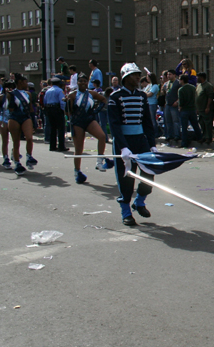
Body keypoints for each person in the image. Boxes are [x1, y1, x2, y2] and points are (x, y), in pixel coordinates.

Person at [108, 63, 157, 226]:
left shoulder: (142, 96)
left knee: (149, 173)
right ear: (126, 77)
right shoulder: (115, 98)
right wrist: (123, 147)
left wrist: (152, 144)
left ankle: (140, 201)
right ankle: (126, 211)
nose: (138, 77)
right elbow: (114, 126)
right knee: (126, 177)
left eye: (138, 74)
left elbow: (147, 122)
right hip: (124, 142)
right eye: (134, 75)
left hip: (140, 140)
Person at [66, 74, 113, 184]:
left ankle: (99, 161)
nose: (82, 83)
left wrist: (96, 110)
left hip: (89, 119)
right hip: (78, 122)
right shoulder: (72, 95)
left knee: (102, 136)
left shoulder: (92, 94)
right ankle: (77, 171)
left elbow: (103, 100)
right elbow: (68, 112)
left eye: (85, 81)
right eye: (80, 81)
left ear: (88, 83)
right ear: (77, 82)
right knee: (79, 149)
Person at [7, 74, 38, 176]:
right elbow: (10, 109)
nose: (27, 84)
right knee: (16, 142)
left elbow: (30, 108)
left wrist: (34, 121)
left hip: (25, 117)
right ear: (20, 82)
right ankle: (17, 163)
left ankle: (29, 156)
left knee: (29, 138)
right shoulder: (11, 94)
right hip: (15, 117)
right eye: (25, 82)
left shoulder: (27, 94)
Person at [43, 78, 69, 152]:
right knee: (61, 128)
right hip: (57, 109)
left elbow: (45, 101)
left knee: (52, 128)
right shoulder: (59, 91)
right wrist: (63, 110)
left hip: (49, 109)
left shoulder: (48, 91)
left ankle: (52, 146)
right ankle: (61, 146)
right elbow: (62, 101)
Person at [177, 74, 202, 148]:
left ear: (182, 80)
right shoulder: (193, 88)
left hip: (184, 110)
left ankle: (184, 143)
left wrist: (180, 108)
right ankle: (199, 138)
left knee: (184, 127)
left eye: (179, 79)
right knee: (195, 125)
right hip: (192, 109)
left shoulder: (181, 90)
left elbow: (181, 101)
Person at [0, 80, 13, 169]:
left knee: (15, 139)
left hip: (14, 119)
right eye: (8, 87)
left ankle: (15, 153)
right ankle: (6, 158)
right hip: (3, 119)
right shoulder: (0, 98)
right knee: (5, 140)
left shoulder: (16, 96)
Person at [195, 72, 214, 144]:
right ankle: (203, 136)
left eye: (198, 77)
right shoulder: (199, 85)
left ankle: (208, 137)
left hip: (206, 108)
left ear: (202, 78)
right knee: (201, 123)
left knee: (208, 123)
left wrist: (208, 107)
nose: (197, 79)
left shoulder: (208, 86)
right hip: (200, 108)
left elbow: (210, 97)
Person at [164, 70, 181, 145]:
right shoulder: (167, 83)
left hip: (174, 105)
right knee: (168, 121)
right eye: (167, 75)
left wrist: (177, 102)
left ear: (174, 75)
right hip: (168, 104)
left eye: (170, 74)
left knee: (175, 121)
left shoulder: (178, 83)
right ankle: (169, 135)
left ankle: (176, 135)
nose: (168, 76)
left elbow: (180, 94)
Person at [144, 73, 160, 138]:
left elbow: (150, 94)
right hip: (147, 103)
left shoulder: (155, 86)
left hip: (152, 104)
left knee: (153, 119)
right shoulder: (149, 85)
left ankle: (156, 132)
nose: (147, 78)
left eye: (148, 77)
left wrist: (144, 94)